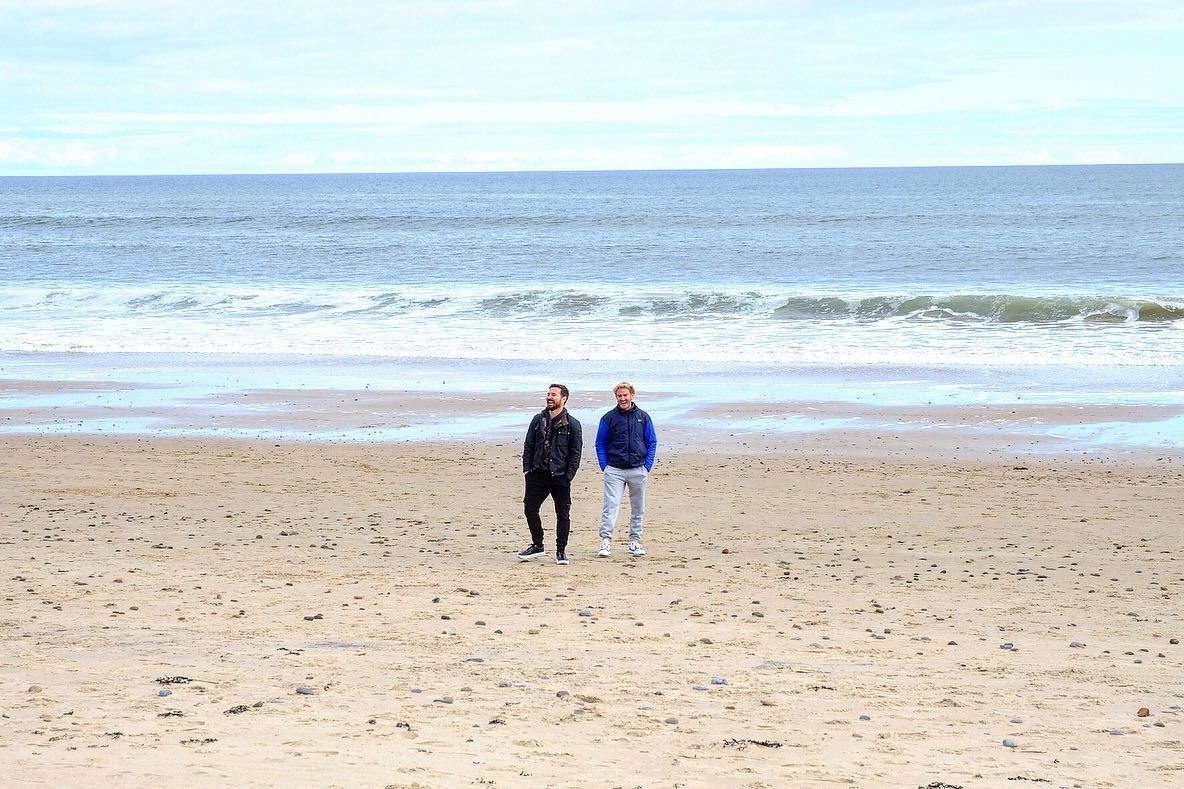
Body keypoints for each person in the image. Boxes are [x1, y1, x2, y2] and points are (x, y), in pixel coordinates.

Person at [517, 384, 583, 565]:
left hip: (560, 475)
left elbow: (575, 453)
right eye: (548, 394)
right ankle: (538, 545)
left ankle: (561, 551)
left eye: (553, 395)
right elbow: (528, 445)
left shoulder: (573, 424)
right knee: (530, 509)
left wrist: (568, 475)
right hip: (537, 473)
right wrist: (527, 469)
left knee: (562, 514)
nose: (549, 397)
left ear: (564, 399)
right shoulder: (538, 420)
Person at [594, 381, 657, 558]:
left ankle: (634, 542)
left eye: (625, 395)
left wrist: (647, 465)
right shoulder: (609, 418)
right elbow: (600, 443)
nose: (623, 398)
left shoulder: (643, 417)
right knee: (611, 506)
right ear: (616, 397)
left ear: (632, 395)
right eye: (619, 396)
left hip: (638, 469)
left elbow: (651, 441)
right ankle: (606, 541)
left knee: (638, 507)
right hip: (614, 469)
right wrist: (604, 466)